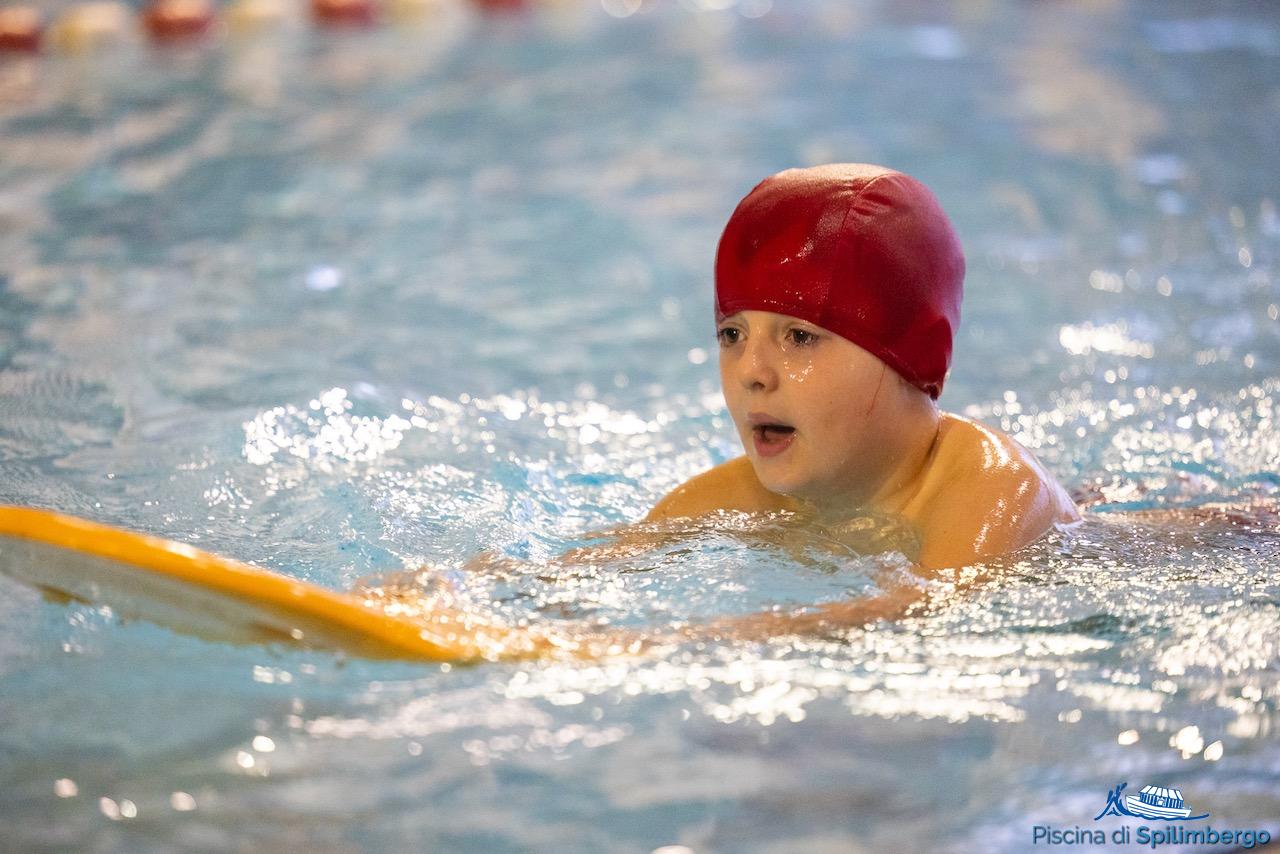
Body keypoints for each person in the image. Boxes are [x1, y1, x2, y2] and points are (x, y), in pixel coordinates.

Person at [436, 163, 1082, 658]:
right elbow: (572, 573)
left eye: (800, 337)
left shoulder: (992, 486)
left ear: (906, 355)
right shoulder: (740, 497)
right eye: (732, 334)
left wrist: (673, 645)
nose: (751, 372)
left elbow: (923, 616)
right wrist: (449, 591)